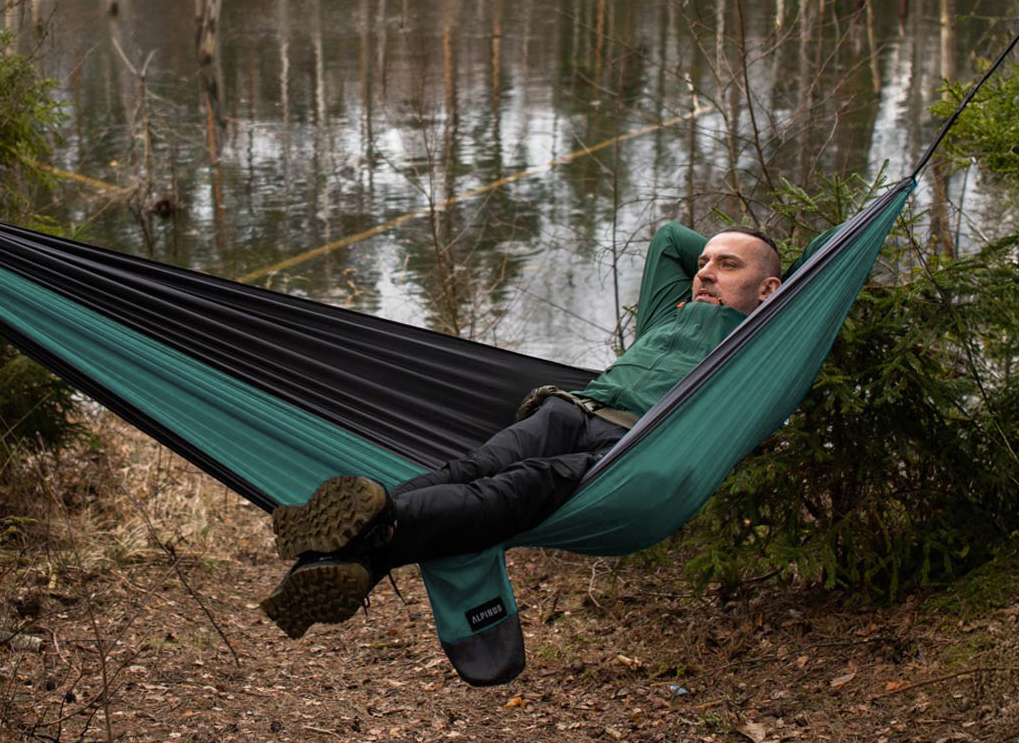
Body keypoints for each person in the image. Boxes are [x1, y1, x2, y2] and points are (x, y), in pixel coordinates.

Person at [259, 223, 786, 639]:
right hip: (571, 410)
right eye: (704, 264)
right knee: (468, 469)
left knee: (517, 486)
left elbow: (821, 278)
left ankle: (366, 532)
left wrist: (775, 283)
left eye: (727, 265)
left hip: (628, 449)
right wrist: (721, 268)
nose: (705, 273)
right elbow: (671, 236)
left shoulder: (762, 344)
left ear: (770, 290)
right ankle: (359, 554)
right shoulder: (668, 315)